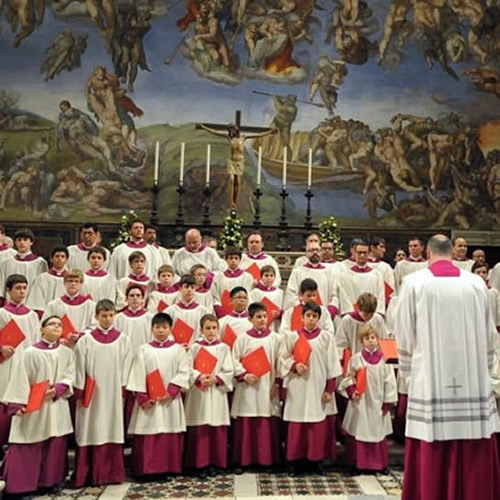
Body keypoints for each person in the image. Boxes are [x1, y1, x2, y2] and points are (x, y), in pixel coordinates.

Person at [395, 234, 500, 500]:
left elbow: (404, 333)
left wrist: (407, 373)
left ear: (428, 254)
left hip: (429, 379)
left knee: (432, 436)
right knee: (472, 440)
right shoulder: (477, 284)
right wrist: (485, 371)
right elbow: (490, 335)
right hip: (472, 380)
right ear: (453, 253)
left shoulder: (414, 283)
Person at [0, 315, 75, 496]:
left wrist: (58, 388)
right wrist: (18, 405)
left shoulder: (67, 353)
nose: (57, 327)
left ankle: (49, 482)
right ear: (42, 329)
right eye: (52, 324)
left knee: (54, 443)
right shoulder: (30, 353)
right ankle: (21, 486)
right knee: (28, 441)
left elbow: (70, 375)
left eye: (59, 325)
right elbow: (19, 379)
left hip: (56, 404)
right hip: (34, 408)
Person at [73, 299, 132, 487]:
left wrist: (123, 386)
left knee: (111, 426)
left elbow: (127, 363)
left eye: (111, 315)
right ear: (96, 317)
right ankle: (87, 473)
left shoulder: (123, 339)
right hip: (92, 393)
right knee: (90, 427)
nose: (107, 319)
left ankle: (111, 474)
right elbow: (79, 365)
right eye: (104, 316)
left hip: (113, 391)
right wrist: (80, 389)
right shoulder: (86, 340)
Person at [280, 302, 341, 472]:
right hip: (297, 385)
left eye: (315, 317)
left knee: (316, 423)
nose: (311, 319)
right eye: (308, 316)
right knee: (297, 423)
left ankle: (315, 460)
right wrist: (294, 366)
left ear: (319, 319)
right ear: (302, 317)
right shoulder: (292, 337)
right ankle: (294, 460)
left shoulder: (326, 338)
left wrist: (329, 389)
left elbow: (333, 364)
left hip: (317, 386)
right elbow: (282, 359)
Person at [126, 312, 189, 477]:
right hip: (150, 401)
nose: (161, 331)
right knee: (149, 431)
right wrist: (142, 398)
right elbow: (137, 374)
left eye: (164, 327)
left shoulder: (178, 350)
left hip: (169, 400)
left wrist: (172, 391)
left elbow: (184, 372)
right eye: (157, 327)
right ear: (152, 328)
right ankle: (147, 469)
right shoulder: (144, 349)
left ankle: (169, 468)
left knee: (168, 430)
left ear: (170, 329)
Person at [231, 302, 282, 470]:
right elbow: (234, 361)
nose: (262, 320)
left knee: (266, 423)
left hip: (267, 387)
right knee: (246, 422)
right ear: (250, 319)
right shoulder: (242, 339)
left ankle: (267, 461)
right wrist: (244, 375)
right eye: (258, 317)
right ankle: (243, 461)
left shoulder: (275, 338)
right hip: (247, 388)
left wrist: (277, 383)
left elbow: (280, 362)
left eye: (264, 316)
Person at [340, 324, 397, 472]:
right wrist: (352, 391)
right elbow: (348, 378)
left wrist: (387, 402)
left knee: (377, 431)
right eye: (367, 338)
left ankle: (378, 464)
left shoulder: (385, 359)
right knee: (360, 429)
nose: (371, 341)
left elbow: (390, 381)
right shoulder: (357, 359)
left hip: (378, 402)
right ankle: (358, 463)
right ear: (362, 341)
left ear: (378, 339)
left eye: (373, 337)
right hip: (361, 402)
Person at [184, 314, 234, 476]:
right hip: (199, 392)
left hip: (217, 391)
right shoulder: (195, 348)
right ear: (201, 330)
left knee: (216, 426)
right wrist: (198, 376)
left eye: (214, 328)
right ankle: (199, 464)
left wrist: (217, 378)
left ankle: (217, 463)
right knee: (201, 426)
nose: (211, 331)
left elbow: (229, 370)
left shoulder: (224, 348)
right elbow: (187, 368)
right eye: (208, 328)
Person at [0, 274, 40, 451]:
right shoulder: (1, 313)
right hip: (6, 363)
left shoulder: (32, 315)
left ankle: (17, 442)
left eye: (24, 288)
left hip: (25, 362)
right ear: (8, 291)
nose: (22, 291)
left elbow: (37, 339)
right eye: (17, 288)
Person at [332, 240, 385, 316]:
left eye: (365, 253)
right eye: (359, 252)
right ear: (354, 253)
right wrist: (353, 315)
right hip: (352, 317)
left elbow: (380, 296)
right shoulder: (345, 275)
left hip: (371, 316)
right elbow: (344, 297)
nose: (362, 255)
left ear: (368, 254)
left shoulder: (377, 275)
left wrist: (375, 314)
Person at [285, 241, 337, 315]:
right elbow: (291, 294)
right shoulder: (297, 272)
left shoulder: (329, 272)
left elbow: (334, 294)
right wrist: (302, 310)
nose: (315, 253)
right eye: (311, 250)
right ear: (306, 253)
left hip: (323, 313)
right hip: (303, 315)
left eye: (317, 250)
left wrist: (329, 311)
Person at [0, 229, 48, 302]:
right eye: (19, 240)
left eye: (25, 240)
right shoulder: (6, 263)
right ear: (15, 242)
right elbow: (1, 287)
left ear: (31, 242)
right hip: (10, 305)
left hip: (33, 304)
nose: (22, 242)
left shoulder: (40, 263)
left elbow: (43, 286)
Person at [165, 275, 209, 347]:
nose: (189, 290)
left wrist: (195, 345)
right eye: (186, 287)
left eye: (192, 287)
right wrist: (176, 345)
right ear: (180, 288)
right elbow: (166, 332)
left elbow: (206, 333)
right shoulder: (170, 311)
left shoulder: (204, 311)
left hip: (196, 349)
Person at [212, 247, 253, 318]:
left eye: (236, 258)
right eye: (231, 258)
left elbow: (248, 296)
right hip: (223, 314)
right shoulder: (218, 278)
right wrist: (221, 313)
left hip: (242, 314)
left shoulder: (247, 277)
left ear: (240, 260)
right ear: (226, 259)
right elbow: (215, 297)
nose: (233, 261)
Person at [27, 245, 69, 314]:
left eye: (62, 256)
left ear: (66, 260)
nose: (59, 259)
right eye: (57, 256)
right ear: (51, 259)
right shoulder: (41, 279)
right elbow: (36, 301)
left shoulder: (70, 279)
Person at [249, 265, 283, 330]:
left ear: (274, 277)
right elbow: (252, 308)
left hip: (275, 322)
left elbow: (283, 307)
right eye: (266, 275)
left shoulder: (280, 292)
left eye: (271, 275)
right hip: (260, 322)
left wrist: (280, 313)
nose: (269, 278)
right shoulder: (255, 292)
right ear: (261, 277)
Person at [472, 262, 500, 332]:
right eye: (478, 272)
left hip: (490, 329)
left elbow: (496, 313)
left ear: (487, 275)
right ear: (472, 274)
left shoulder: (493, 292)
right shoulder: (469, 291)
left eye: (484, 272)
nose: (481, 275)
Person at [368, 237, 395, 304]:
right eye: (381, 247)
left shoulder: (386, 267)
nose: (384, 250)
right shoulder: (362, 266)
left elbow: (391, 287)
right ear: (373, 248)